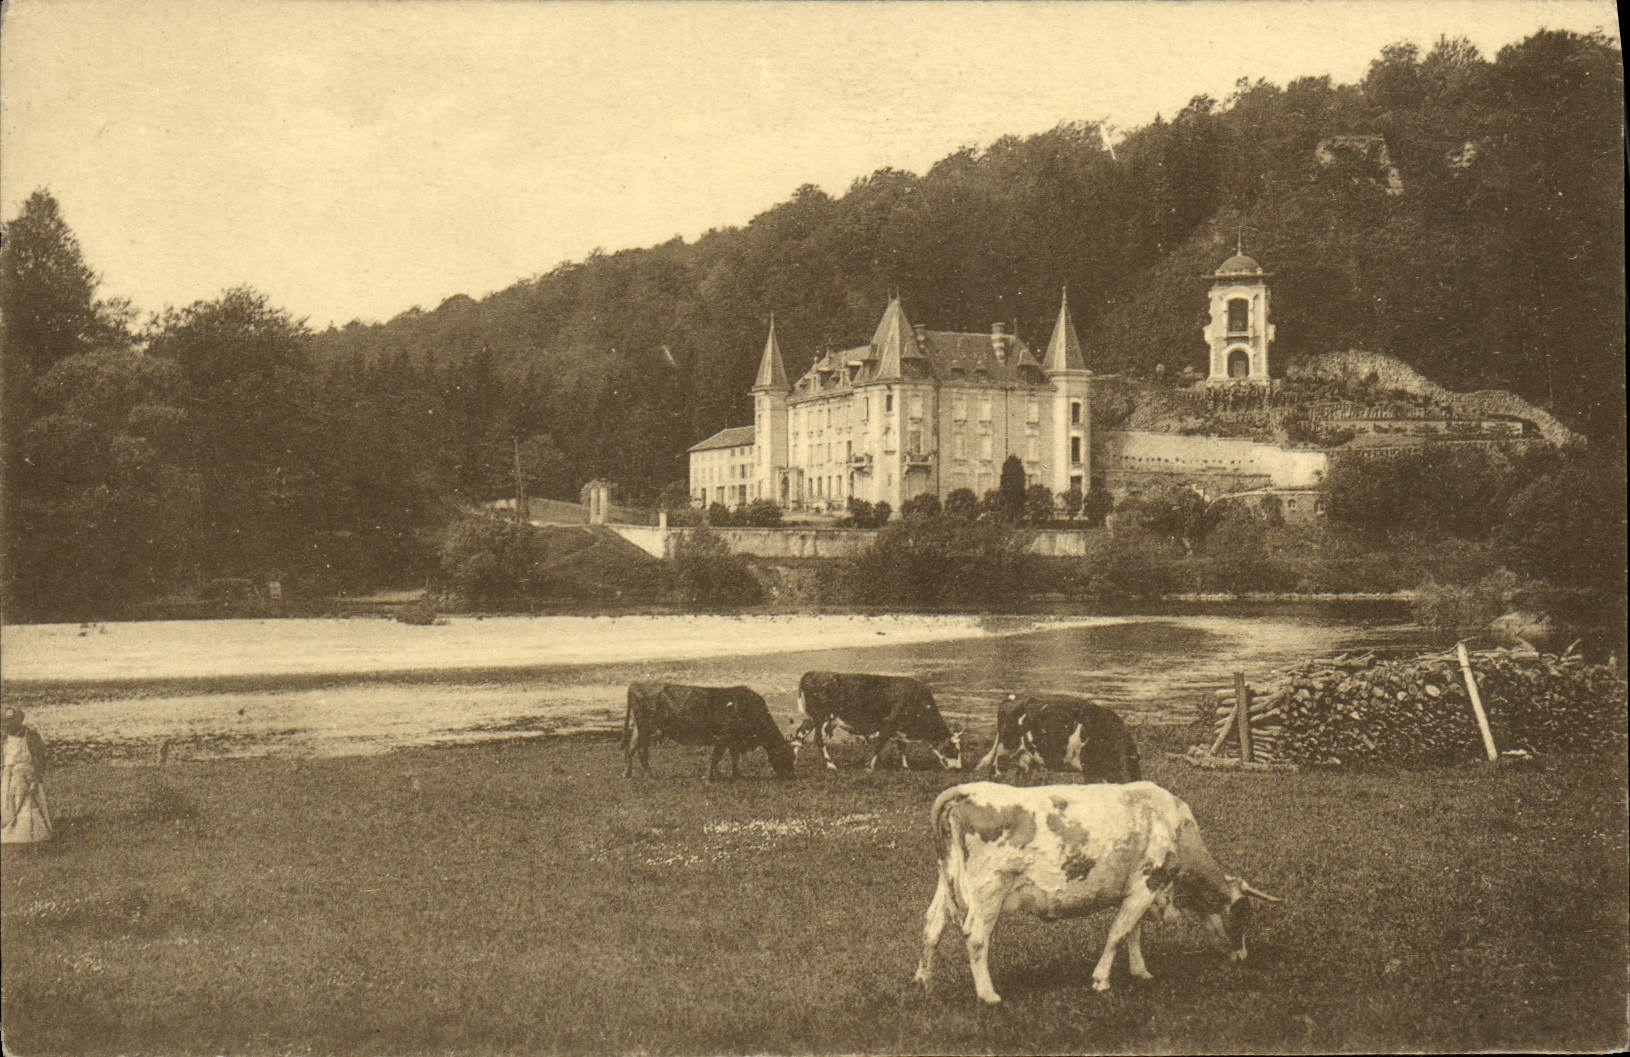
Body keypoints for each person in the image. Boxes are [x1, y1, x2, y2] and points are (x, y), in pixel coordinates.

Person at [2, 706, 53, 844]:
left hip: (26, 776)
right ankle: (8, 830)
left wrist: (36, 780)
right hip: (9, 776)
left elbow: (40, 759)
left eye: (12, 721)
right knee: (8, 805)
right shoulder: (5, 737)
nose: (7, 725)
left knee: (26, 806)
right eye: (5, 722)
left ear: (20, 720)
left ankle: (26, 836)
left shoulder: (30, 736)